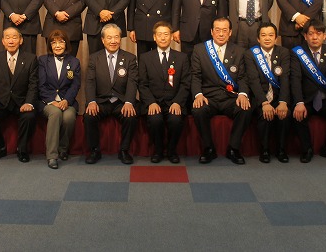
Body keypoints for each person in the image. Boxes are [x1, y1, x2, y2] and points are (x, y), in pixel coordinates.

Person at [190, 17, 252, 165]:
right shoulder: (199, 50)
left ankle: (233, 148)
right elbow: (195, 76)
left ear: (230, 33)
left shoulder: (239, 51)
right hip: (208, 97)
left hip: (230, 97)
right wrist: (198, 95)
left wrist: (243, 94)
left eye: (225, 30)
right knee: (198, 110)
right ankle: (209, 148)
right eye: (217, 30)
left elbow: (243, 77)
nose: (221, 34)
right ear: (212, 32)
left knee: (245, 109)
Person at [289, 19, 326, 163]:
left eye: (318, 33)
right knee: (297, 115)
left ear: (324, 36)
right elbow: (295, 79)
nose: (314, 37)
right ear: (305, 36)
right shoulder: (297, 53)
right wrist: (299, 102)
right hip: (307, 100)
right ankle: (307, 149)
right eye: (311, 34)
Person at [83, 24, 138, 165]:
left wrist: (129, 102)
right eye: (109, 37)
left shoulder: (130, 58)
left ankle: (124, 150)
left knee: (131, 116)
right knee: (89, 116)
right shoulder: (94, 58)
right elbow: (90, 82)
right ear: (103, 40)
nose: (113, 41)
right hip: (101, 101)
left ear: (120, 39)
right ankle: (95, 150)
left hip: (121, 101)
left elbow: (132, 82)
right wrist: (91, 101)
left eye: (116, 37)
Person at [0, 26, 38, 162]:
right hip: (1, 102)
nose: (11, 41)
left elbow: (33, 85)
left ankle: (22, 149)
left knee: (29, 116)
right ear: (3, 41)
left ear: (21, 40)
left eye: (14, 37)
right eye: (7, 38)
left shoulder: (31, 59)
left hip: (22, 102)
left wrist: (29, 103)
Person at [138, 21, 190, 164]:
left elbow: (186, 83)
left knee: (176, 120)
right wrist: (150, 102)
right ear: (154, 37)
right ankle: (158, 150)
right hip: (154, 101)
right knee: (155, 120)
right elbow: (142, 84)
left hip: (174, 102)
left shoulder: (182, 58)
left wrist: (178, 102)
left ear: (172, 36)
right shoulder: (145, 58)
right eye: (159, 34)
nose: (163, 37)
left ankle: (172, 151)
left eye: (166, 34)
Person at [244, 22, 291, 163]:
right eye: (263, 35)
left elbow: (285, 79)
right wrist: (264, 103)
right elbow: (253, 81)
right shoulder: (250, 54)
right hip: (260, 97)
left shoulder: (283, 53)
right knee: (264, 116)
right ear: (258, 39)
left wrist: (283, 102)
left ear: (276, 38)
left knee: (285, 115)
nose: (267, 38)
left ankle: (281, 150)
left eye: (271, 35)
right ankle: (264, 150)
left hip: (278, 96)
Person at [37, 29, 81, 169]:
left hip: (67, 101)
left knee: (69, 116)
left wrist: (66, 100)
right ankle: (52, 155)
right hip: (47, 101)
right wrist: (52, 101)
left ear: (66, 44)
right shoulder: (43, 60)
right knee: (55, 113)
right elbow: (41, 85)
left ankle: (63, 149)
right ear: (49, 45)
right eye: (54, 43)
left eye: (61, 42)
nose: (57, 46)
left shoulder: (74, 62)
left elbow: (75, 85)